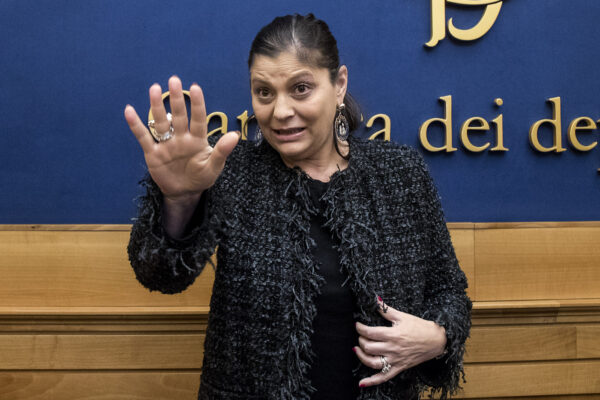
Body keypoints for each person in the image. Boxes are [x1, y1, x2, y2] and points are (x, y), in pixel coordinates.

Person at [124, 13, 471, 400]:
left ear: (339, 85)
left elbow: (449, 290)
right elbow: (159, 275)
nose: (280, 111)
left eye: (301, 89)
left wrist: (438, 336)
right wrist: (180, 199)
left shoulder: (400, 173)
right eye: (264, 92)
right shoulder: (230, 171)